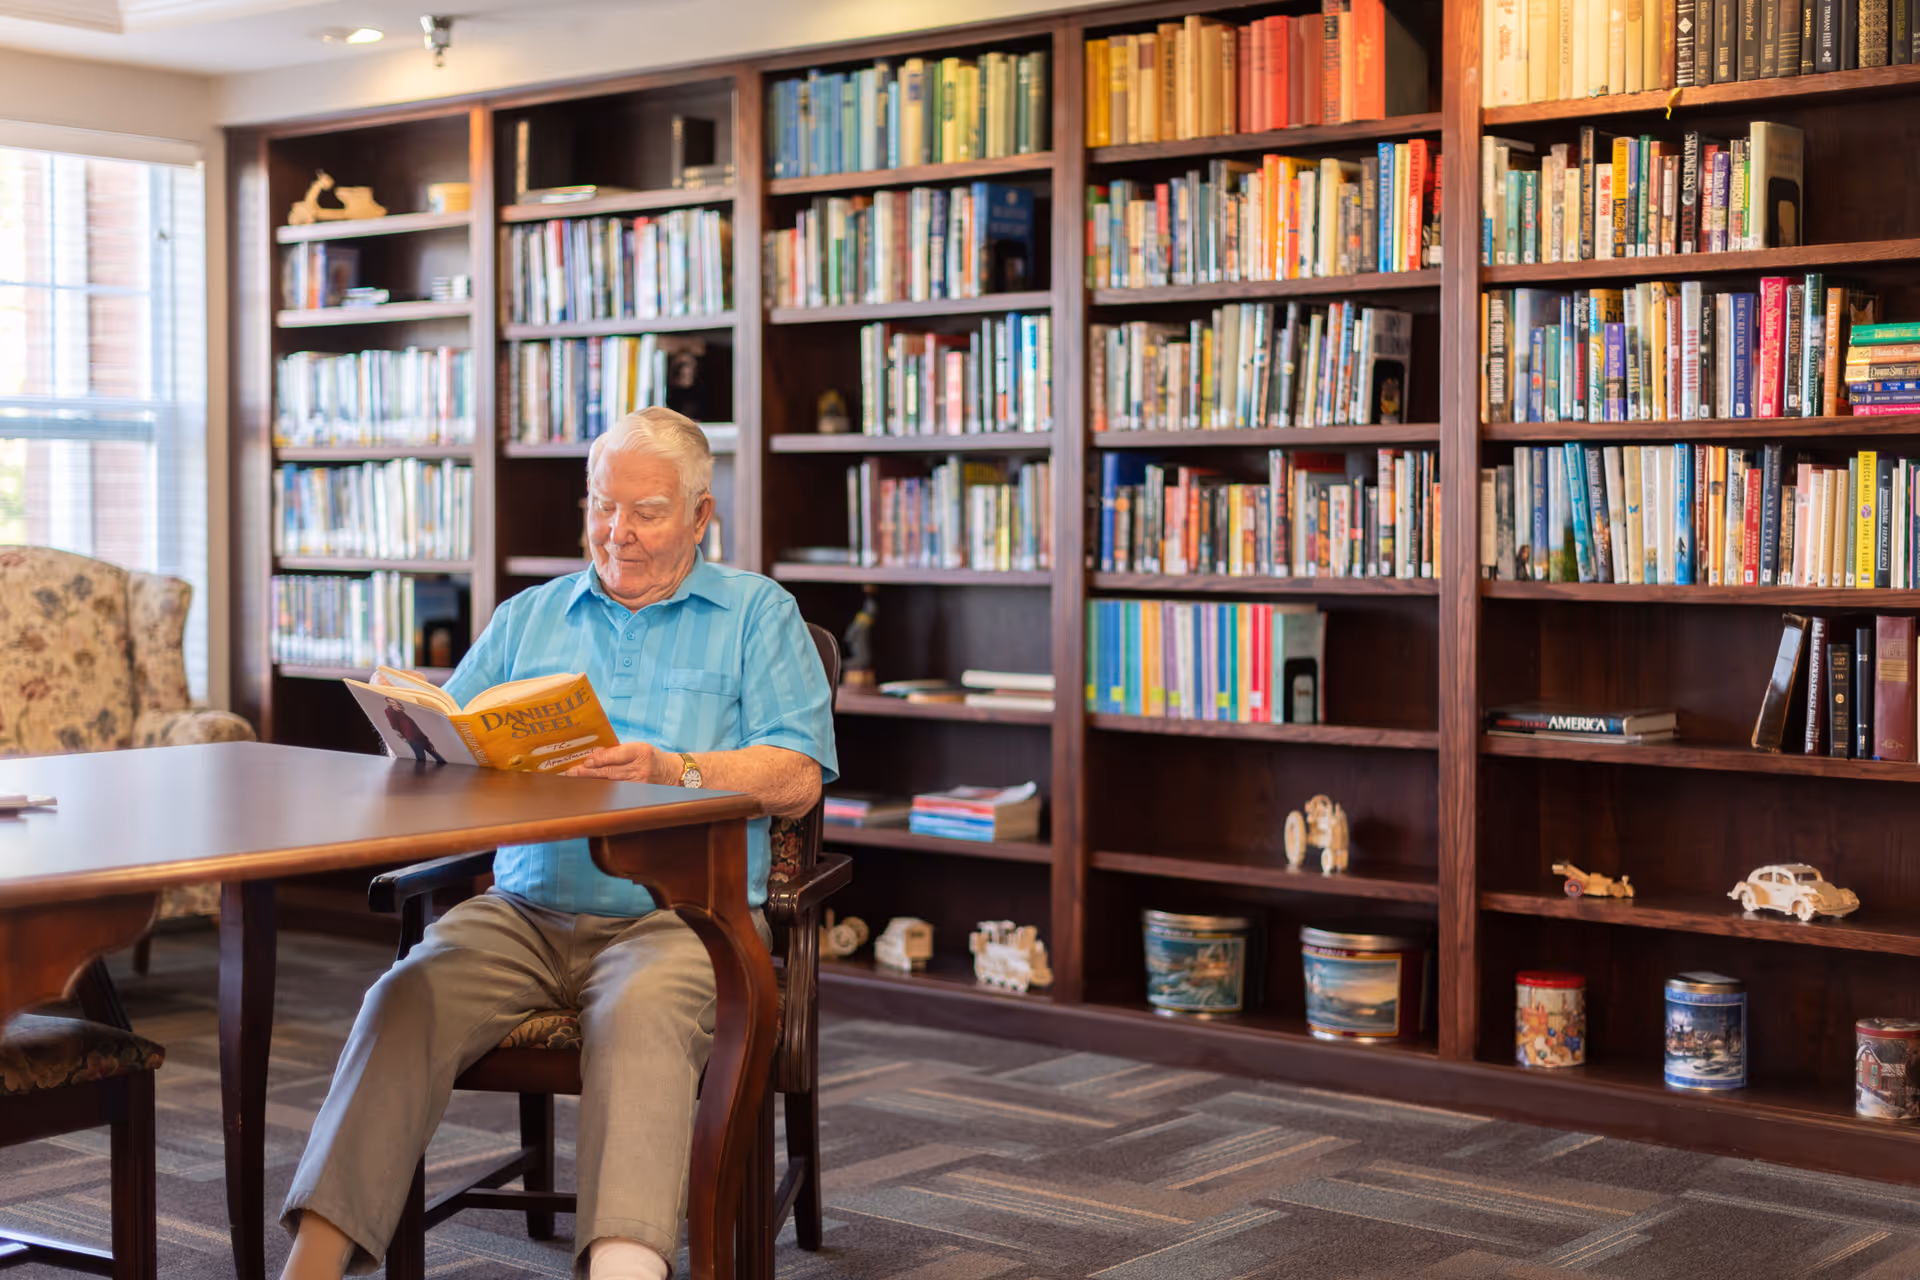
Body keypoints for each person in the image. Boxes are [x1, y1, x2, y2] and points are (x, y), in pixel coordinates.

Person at [279, 407, 838, 1280]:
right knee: (403, 998)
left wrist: (671, 767)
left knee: (642, 1019)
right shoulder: (529, 617)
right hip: (522, 910)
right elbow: (448, 740)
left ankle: (624, 1268)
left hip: (686, 921)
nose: (617, 532)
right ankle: (312, 1266)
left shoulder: (756, 615)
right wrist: (422, 744)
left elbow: (797, 774)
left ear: (699, 516)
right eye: (601, 507)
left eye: (646, 512)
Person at [381, 696, 445, 764]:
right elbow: (393, 725)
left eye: (393, 700)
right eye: (390, 701)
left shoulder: (399, 710)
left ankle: (439, 766)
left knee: (430, 752)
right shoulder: (389, 710)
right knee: (422, 756)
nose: (394, 702)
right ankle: (420, 773)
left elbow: (397, 724)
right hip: (411, 735)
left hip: (417, 734)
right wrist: (403, 732)